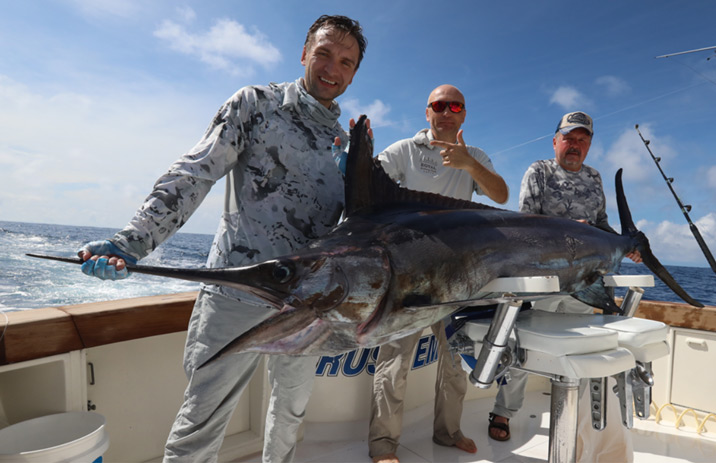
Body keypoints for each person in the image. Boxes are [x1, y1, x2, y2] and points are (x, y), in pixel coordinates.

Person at [77, 15, 367, 463]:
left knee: (291, 412)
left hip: (310, 305)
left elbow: (351, 232)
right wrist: (132, 242)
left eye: (346, 62)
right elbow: (195, 173)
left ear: (353, 74)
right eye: (324, 53)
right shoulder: (256, 104)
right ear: (304, 54)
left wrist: (359, 174)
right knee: (201, 422)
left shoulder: (343, 145)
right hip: (237, 293)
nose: (332, 68)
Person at [488, 110, 640, 462]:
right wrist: (573, 227)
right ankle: (504, 411)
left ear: (589, 145)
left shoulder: (594, 177)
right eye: (569, 138)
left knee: (581, 351)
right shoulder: (539, 171)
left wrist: (625, 244)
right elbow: (526, 224)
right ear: (555, 141)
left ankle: (582, 421)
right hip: (542, 279)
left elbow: (601, 224)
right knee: (521, 347)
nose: (575, 145)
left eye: (582, 139)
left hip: (584, 281)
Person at [368, 84, 508, 463]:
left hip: (457, 277)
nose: (446, 112)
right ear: (427, 112)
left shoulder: (475, 155)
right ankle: (383, 445)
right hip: (408, 276)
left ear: (464, 114)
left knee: (455, 362)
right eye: (439, 105)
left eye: (455, 106)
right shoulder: (405, 150)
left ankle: (449, 433)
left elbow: (500, 195)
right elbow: (369, 181)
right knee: (394, 362)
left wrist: (470, 165)